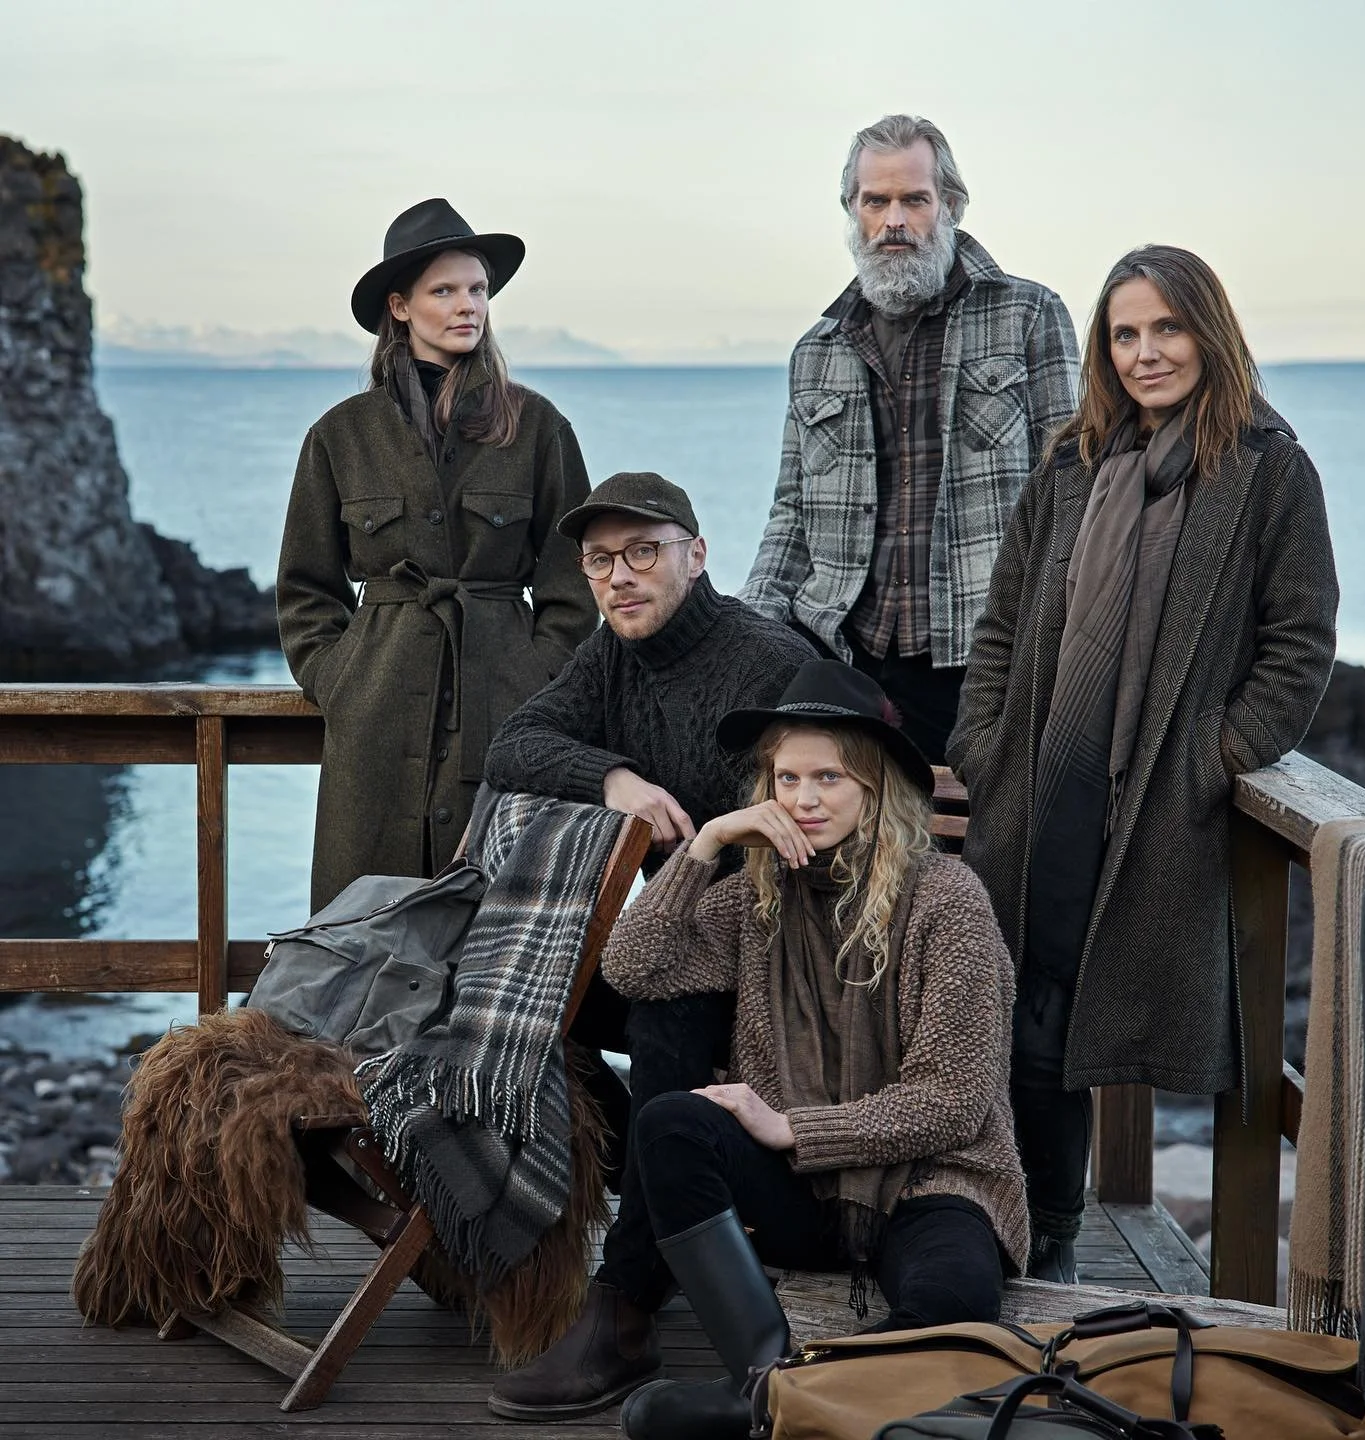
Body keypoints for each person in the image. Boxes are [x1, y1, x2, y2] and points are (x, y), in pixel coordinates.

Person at [948, 245, 1339, 1283]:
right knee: (1031, 1020)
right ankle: (1039, 1232)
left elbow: (1299, 643)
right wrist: (984, 749)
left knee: (1101, 1018)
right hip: (1043, 789)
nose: (1146, 352)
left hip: (1164, 803)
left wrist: (1218, 757)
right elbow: (1002, 623)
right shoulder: (1074, 461)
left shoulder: (1268, 470)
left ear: (1210, 333)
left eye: (1167, 328)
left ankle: (1065, 1242)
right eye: (1126, 333)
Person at [582, 660, 1026, 1440]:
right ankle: (762, 1372)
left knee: (956, 1303)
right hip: (807, 1195)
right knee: (668, 1126)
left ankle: (780, 1405)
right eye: (786, 779)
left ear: (875, 786)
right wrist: (709, 841)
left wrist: (795, 1128)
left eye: (828, 777)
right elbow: (633, 968)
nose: (805, 799)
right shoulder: (758, 896)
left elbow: (954, 1099)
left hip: (928, 1186)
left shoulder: (948, 900)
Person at [485, 471, 816, 1421]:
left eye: (643, 553)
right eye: (599, 560)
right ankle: (666, 1187)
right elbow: (518, 741)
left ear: (696, 556)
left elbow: (843, 797)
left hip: (789, 946)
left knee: (667, 1008)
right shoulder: (616, 653)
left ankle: (626, 1305)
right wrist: (615, 776)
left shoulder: (764, 662)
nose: (620, 577)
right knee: (537, 1003)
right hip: (688, 929)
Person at [276, 199, 595, 910]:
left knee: (494, 925)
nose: (468, 306)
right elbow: (305, 588)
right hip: (376, 712)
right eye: (444, 291)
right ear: (400, 306)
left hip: (504, 706)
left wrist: (537, 676)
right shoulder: (340, 436)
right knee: (362, 929)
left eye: (477, 289)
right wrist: (340, 680)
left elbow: (575, 582)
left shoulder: (537, 426)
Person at [740, 114, 1079, 763]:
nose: (893, 220)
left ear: (948, 205)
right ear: (852, 210)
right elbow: (790, 516)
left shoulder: (1029, 315)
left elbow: (1075, 497)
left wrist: (1054, 649)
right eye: (876, 201)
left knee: (974, 858)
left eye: (913, 199)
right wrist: (746, 635)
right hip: (840, 658)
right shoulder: (816, 350)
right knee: (837, 857)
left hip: (980, 663)